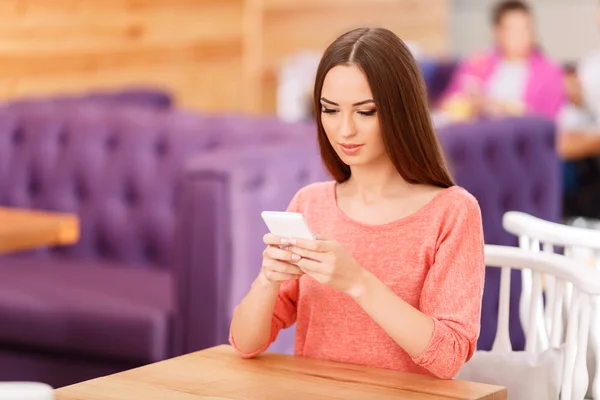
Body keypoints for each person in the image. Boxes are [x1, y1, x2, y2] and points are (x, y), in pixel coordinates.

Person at [229, 27, 486, 380]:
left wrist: (358, 282)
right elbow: (245, 344)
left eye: (365, 112)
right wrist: (267, 279)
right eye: (330, 110)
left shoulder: (452, 211)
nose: (344, 130)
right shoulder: (310, 203)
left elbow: (449, 357)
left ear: (401, 112)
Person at [439, 0, 564, 121]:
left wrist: (505, 108)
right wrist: (470, 104)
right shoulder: (477, 64)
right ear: (498, 32)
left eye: (525, 29)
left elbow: (549, 122)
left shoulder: (549, 72)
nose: (520, 36)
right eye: (512, 29)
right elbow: (448, 104)